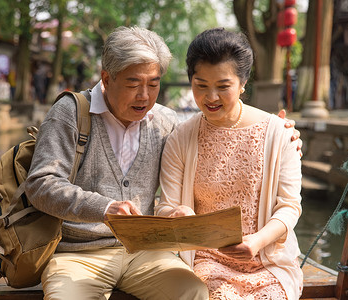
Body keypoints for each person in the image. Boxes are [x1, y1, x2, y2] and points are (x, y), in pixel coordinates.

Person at [25, 26, 301, 300]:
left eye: (153, 84)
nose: (144, 96)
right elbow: (40, 184)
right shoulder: (69, 113)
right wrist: (105, 208)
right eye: (133, 84)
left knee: (191, 292)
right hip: (78, 255)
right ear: (106, 79)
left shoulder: (166, 123)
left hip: (145, 253)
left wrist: (285, 137)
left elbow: (219, 134)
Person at [156, 28, 303, 300]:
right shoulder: (180, 138)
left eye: (223, 87)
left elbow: (290, 206)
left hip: (268, 261)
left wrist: (256, 241)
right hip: (206, 260)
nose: (211, 97)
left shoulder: (278, 133)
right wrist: (178, 215)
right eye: (201, 85)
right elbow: (167, 205)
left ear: (243, 83)